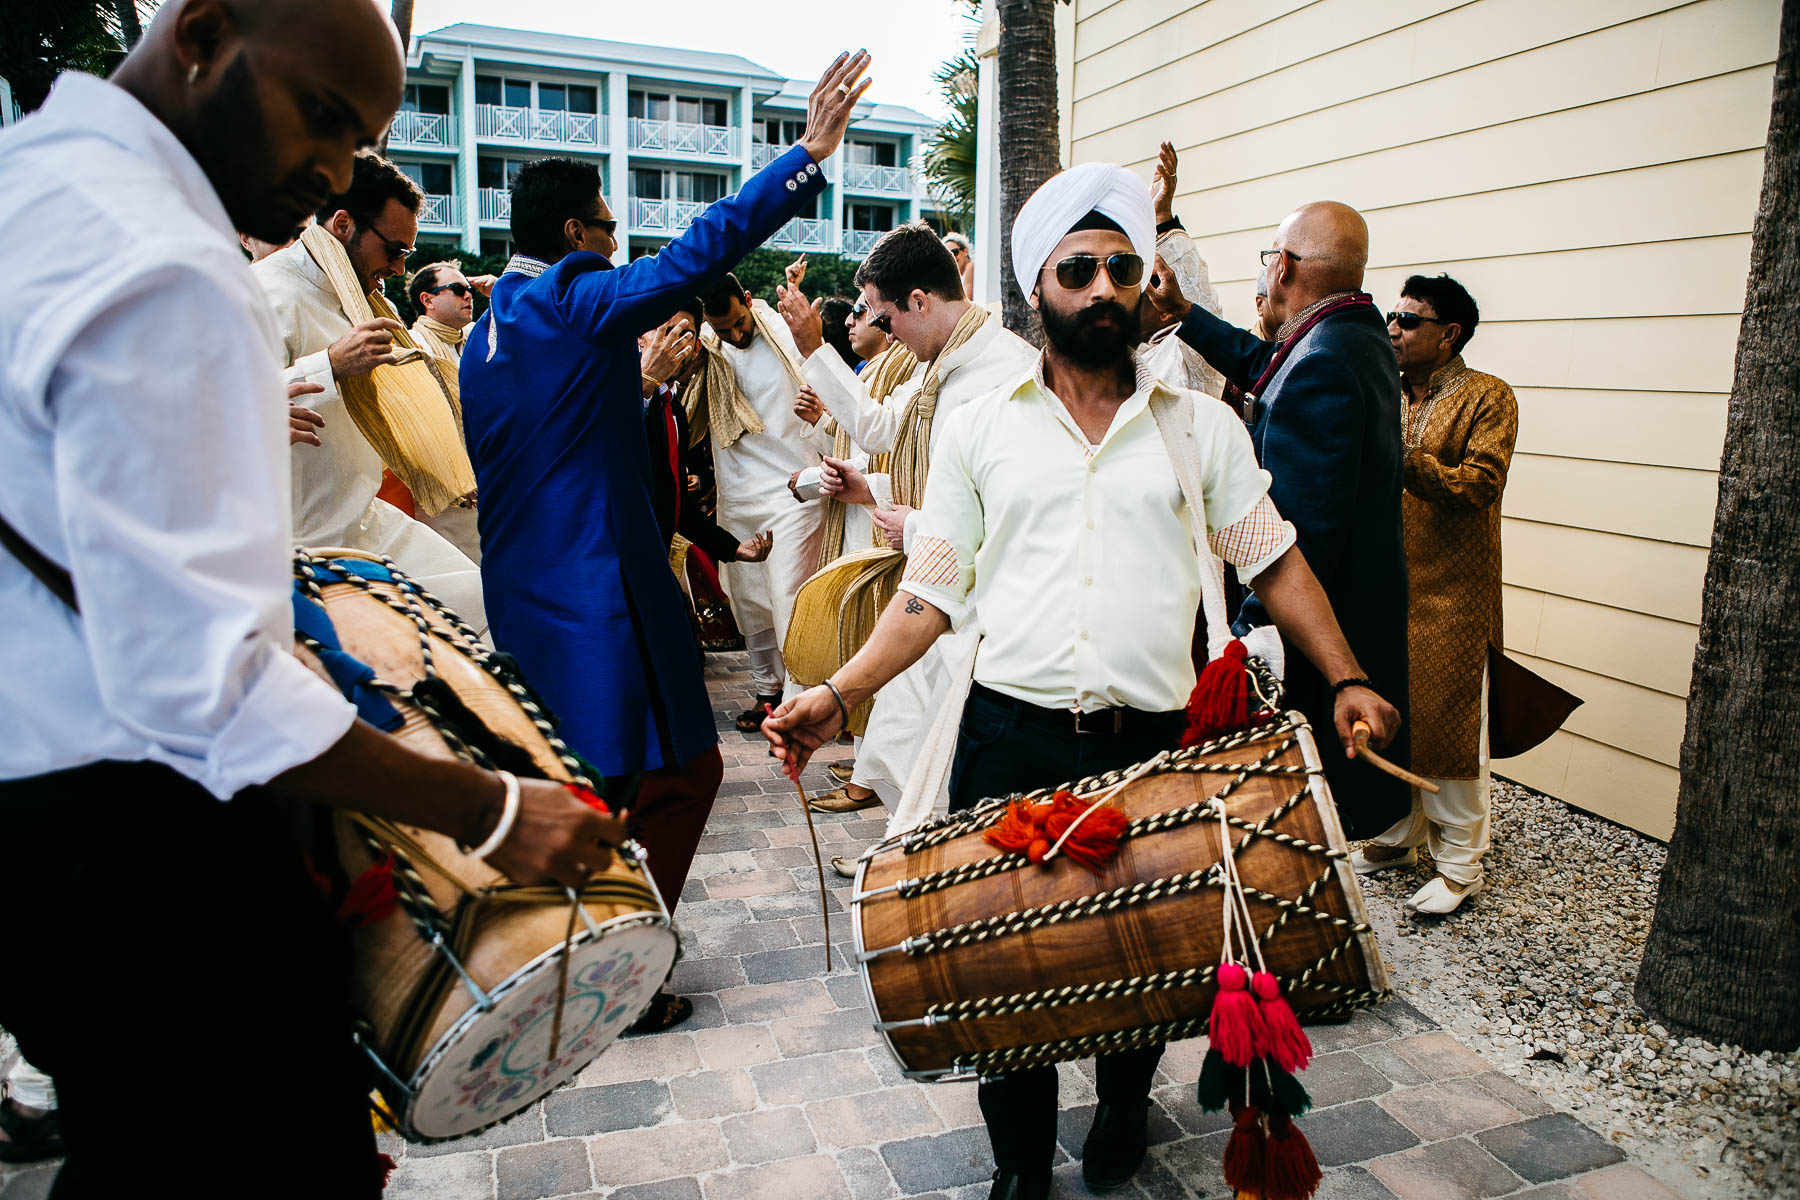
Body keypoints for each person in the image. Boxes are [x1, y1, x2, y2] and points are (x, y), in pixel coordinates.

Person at [0, 3, 621, 1194]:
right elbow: (202, 690)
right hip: (133, 822)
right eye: (323, 115)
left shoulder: (31, 182)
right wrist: (490, 805)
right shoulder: (167, 261)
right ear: (203, 32)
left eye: (359, 137)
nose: (335, 169)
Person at [764, 162, 1400, 1200]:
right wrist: (836, 696)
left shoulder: (1201, 428)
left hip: (1150, 748)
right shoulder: (982, 426)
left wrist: (1347, 677)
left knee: (1141, 956)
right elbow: (929, 594)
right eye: (1078, 269)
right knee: (1003, 967)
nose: (1104, 287)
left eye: (1121, 268)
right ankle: (1020, 1163)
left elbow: (1274, 560)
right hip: (1008, 743)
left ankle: (1120, 1109)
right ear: (1038, 288)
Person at [457, 52, 871, 1028]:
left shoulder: (485, 332)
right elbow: (692, 255)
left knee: (585, 786)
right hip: (603, 596)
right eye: (608, 227)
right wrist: (806, 158)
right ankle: (613, 978)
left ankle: (558, 958)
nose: (617, 243)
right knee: (681, 774)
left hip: (523, 597)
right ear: (574, 235)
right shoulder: (569, 298)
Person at [1153, 199, 1412, 839]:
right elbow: (1267, 368)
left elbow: (1302, 532)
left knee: (1293, 817)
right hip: (1365, 602)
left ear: (1285, 266)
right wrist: (1184, 314)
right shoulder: (1355, 333)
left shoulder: (1322, 362)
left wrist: (1251, 636)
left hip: (1316, 632)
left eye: (1269, 256)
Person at [775, 222, 1037, 833]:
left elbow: (1001, 515)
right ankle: (910, 850)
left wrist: (913, 524)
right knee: (908, 743)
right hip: (933, 591)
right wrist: (871, 489)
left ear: (919, 301)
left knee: (944, 765)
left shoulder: (1005, 375)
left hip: (982, 613)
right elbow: (879, 429)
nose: (886, 333)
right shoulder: (936, 366)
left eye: (885, 317)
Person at [253, 150, 488, 629]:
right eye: (394, 251)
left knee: (486, 605)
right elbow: (212, 409)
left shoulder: (367, 302)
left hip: (366, 521)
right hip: (296, 545)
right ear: (343, 225)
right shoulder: (262, 292)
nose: (400, 269)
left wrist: (437, 467)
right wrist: (330, 365)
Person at [1351, 274, 1516, 914]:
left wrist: (1398, 455)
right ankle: (1401, 836)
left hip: (1453, 592)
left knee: (1450, 728)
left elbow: (1479, 485)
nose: (1392, 329)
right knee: (1393, 714)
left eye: (1409, 320)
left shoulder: (1487, 397)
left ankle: (1461, 865)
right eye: (1391, 317)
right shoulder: (1386, 391)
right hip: (1385, 583)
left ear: (1449, 334)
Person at [692, 270, 833, 728]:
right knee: (750, 598)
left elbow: (823, 378)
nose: (735, 335)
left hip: (793, 489)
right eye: (722, 329)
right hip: (738, 490)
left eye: (739, 322)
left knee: (787, 591)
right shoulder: (707, 350)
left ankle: (799, 694)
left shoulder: (784, 335)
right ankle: (767, 690)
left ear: (749, 300)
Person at [1140, 142, 1224, 398]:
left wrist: (1162, 218)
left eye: (1140, 295)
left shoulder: (1186, 355)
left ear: (1165, 311)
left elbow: (1204, 309)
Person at [406, 259, 474, 365]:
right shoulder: (411, 345)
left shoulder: (477, 337)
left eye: (470, 290)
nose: (468, 296)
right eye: (458, 289)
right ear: (428, 300)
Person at [943, 230, 975, 301]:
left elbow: (967, 300)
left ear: (965, 251)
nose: (952, 257)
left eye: (954, 252)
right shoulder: (958, 276)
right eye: (947, 255)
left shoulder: (970, 267)